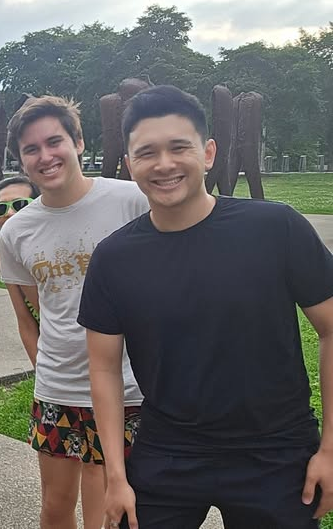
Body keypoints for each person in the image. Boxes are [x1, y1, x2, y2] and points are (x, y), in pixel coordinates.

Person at [80, 84, 333, 529]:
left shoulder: (276, 229)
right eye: (147, 153)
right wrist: (116, 477)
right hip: (169, 447)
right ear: (128, 164)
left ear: (209, 152)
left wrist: (330, 448)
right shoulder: (114, 257)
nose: (164, 165)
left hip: (274, 448)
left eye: (179, 148)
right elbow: (102, 369)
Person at [0, 95, 148, 529]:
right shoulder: (18, 231)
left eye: (54, 141)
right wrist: (46, 370)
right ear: (22, 161)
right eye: (31, 149)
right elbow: (30, 315)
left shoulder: (132, 201)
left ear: (78, 142)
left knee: (111, 511)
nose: (45, 156)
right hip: (57, 390)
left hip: (128, 388)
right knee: (54, 507)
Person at [0, 175, 42, 367]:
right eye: (1, 208)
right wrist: (42, 377)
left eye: (20, 204)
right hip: (56, 354)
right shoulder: (5, 259)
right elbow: (25, 320)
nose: (9, 213)